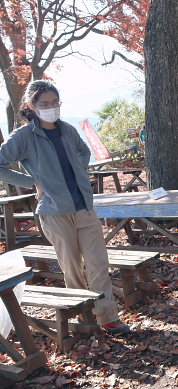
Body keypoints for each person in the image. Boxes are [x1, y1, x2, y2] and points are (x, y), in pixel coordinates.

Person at [0, 80, 130, 336]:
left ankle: (108, 318)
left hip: (84, 207)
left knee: (98, 264)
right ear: (32, 106)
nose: (52, 108)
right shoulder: (24, 136)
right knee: (72, 268)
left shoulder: (68, 130)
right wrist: (33, 182)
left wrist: (77, 169)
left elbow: (84, 152)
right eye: (45, 104)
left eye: (55, 103)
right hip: (53, 212)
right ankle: (85, 317)